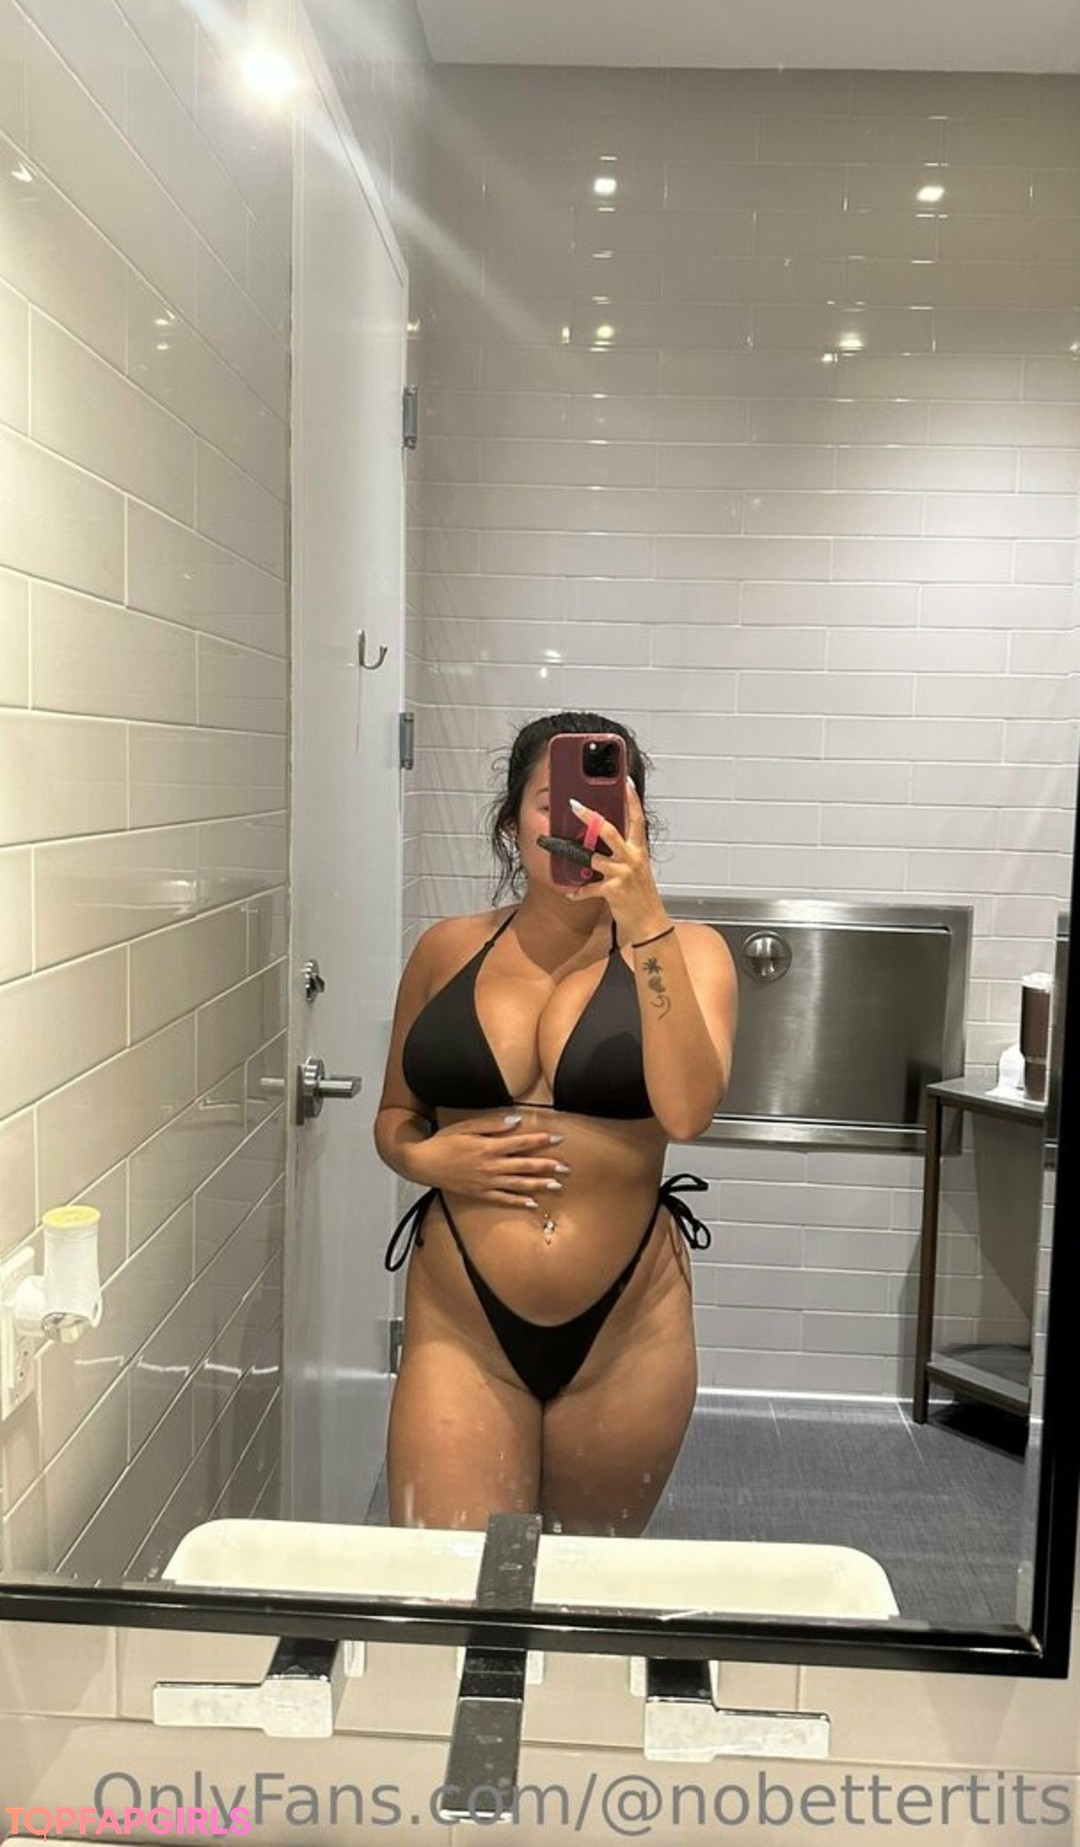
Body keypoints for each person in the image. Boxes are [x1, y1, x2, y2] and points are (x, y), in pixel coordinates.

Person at [374, 712, 737, 1534]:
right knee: (452, 1582)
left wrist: (644, 917)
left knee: (585, 1585)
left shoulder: (692, 951)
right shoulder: (444, 949)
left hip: (628, 1326)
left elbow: (688, 1112)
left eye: (605, 805)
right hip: (460, 1321)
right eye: (550, 803)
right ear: (512, 822)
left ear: (637, 821)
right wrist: (432, 1161)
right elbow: (395, 1117)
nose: (576, 824)